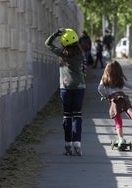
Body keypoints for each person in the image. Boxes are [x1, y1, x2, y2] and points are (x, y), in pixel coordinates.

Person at [45, 28, 86, 156]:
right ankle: (77, 145)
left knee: (67, 116)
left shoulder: (62, 53)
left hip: (66, 88)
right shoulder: (81, 54)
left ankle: (68, 145)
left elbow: (48, 44)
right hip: (79, 88)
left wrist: (56, 33)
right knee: (77, 116)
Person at [98, 60, 132, 149]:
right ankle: (131, 113)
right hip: (123, 97)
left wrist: (105, 95)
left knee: (118, 121)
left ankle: (120, 139)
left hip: (114, 100)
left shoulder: (104, 78)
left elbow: (100, 88)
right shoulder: (120, 78)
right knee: (127, 108)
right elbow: (130, 86)